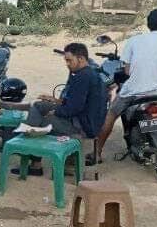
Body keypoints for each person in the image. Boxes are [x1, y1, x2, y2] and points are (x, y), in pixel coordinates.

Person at [95, 8, 157, 156]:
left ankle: (97, 152)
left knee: (111, 114)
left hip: (132, 93)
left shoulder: (133, 41)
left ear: (148, 25)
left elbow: (127, 71)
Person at [16, 43, 106, 176]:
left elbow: (74, 108)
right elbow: (79, 102)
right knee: (38, 105)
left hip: (82, 126)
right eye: (66, 60)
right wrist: (56, 101)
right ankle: (28, 144)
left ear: (80, 59)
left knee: (42, 121)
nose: (67, 64)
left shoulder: (83, 77)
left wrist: (56, 111)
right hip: (85, 120)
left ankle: (32, 159)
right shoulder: (90, 74)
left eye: (69, 60)